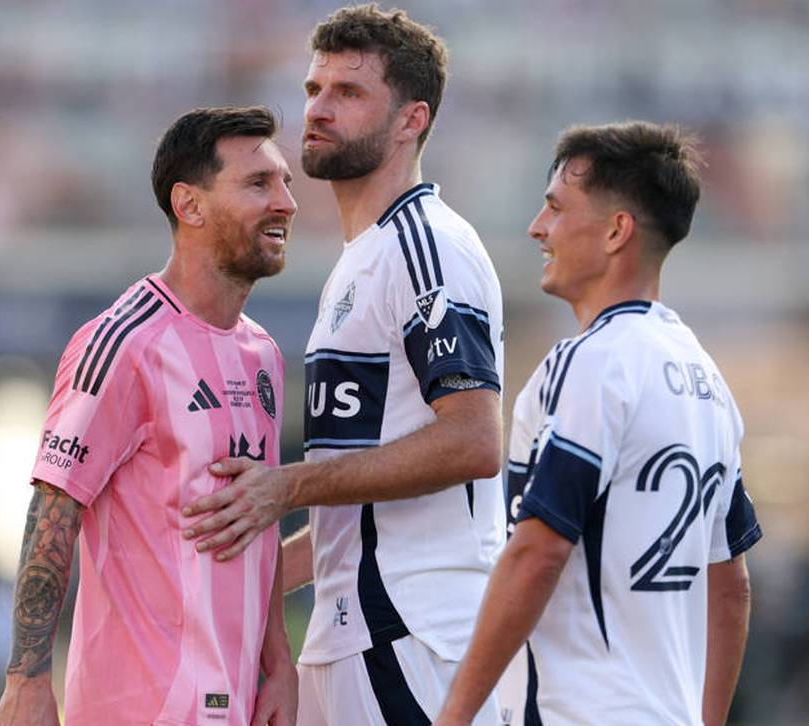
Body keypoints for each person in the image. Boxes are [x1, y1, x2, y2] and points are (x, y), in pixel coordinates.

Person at [183, 5, 505, 724]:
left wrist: (285, 486)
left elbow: (475, 440)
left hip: (412, 630)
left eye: (349, 92)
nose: (319, 109)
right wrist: (243, 575)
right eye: (314, 89)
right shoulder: (363, 256)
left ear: (411, 120)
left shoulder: (426, 246)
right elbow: (357, 515)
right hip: (354, 630)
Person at [433, 122, 763, 726]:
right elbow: (731, 585)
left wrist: (453, 715)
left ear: (616, 231)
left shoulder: (591, 363)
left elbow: (538, 552)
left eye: (557, 208)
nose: (538, 227)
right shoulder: (706, 378)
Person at [0, 106, 298, 726]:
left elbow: (257, 525)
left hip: (234, 703)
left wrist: (278, 663)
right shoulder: (124, 343)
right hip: (138, 706)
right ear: (189, 205)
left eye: (285, 182)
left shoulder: (263, 354)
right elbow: (53, 510)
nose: (286, 203)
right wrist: (26, 681)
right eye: (258, 183)